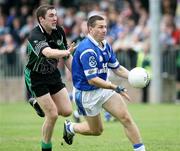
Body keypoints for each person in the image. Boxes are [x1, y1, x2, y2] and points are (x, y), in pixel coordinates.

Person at [63, 15, 146, 151]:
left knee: (125, 118)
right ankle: (70, 127)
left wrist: (132, 76)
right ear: (90, 29)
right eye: (100, 27)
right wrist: (115, 87)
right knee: (96, 130)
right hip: (87, 94)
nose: (104, 30)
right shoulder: (87, 49)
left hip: (104, 89)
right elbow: (92, 79)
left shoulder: (106, 45)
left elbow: (117, 68)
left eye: (105, 27)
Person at [24, 5, 75, 151]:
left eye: (55, 15)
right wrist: (65, 52)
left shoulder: (59, 31)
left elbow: (66, 57)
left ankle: (38, 104)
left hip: (52, 74)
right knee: (52, 115)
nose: (55, 18)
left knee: (66, 111)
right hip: (36, 76)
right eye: (51, 16)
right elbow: (48, 52)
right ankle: (46, 147)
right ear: (41, 19)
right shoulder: (34, 35)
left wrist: (78, 75)